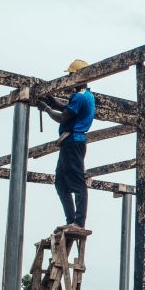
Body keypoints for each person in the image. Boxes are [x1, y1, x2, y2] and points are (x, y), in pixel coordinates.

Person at [38, 59, 96, 230]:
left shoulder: (80, 97)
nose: (69, 79)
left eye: (71, 75)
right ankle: (71, 220)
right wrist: (51, 100)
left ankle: (78, 222)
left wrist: (47, 109)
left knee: (77, 183)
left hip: (74, 143)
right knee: (61, 182)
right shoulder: (84, 94)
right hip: (69, 144)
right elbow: (66, 107)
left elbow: (63, 117)